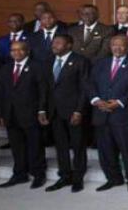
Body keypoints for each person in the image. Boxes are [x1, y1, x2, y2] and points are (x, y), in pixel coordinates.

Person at [88, 35, 128, 192]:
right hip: (101, 113)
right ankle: (113, 179)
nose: (117, 48)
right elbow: (90, 83)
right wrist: (96, 100)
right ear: (110, 46)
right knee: (105, 151)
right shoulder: (100, 63)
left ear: (127, 46)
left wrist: (119, 102)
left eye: (121, 45)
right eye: (114, 45)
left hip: (123, 114)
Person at [0, 41, 49, 189]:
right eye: (13, 50)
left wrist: (42, 110)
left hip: (31, 113)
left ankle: (38, 174)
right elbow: (0, 91)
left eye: (20, 50)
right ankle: (20, 174)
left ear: (27, 51)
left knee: (35, 145)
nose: (16, 53)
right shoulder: (6, 68)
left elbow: (43, 90)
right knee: (16, 146)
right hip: (11, 114)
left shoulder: (37, 66)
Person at [44, 34, 89, 192]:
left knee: (78, 145)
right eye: (53, 42)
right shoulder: (49, 60)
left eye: (58, 43)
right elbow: (46, 88)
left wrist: (79, 110)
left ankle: (78, 178)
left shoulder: (80, 61)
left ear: (69, 45)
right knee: (61, 146)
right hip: (55, 112)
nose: (54, 45)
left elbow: (84, 89)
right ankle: (64, 176)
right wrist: (43, 109)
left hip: (73, 111)